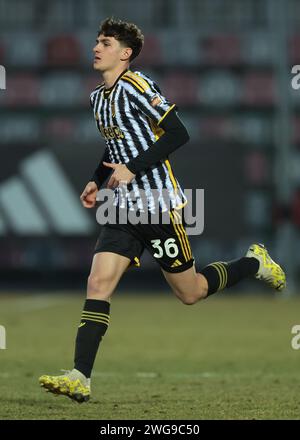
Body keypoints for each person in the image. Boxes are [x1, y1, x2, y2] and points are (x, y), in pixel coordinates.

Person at [39, 18, 286, 403]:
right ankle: (79, 376)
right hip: (121, 208)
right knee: (98, 284)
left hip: (157, 205)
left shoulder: (138, 86)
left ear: (125, 53)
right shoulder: (97, 98)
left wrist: (133, 169)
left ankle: (254, 263)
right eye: (96, 42)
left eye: (104, 43)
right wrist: (96, 179)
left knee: (191, 293)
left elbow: (178, 132)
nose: (95, 48)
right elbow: (118, 147)